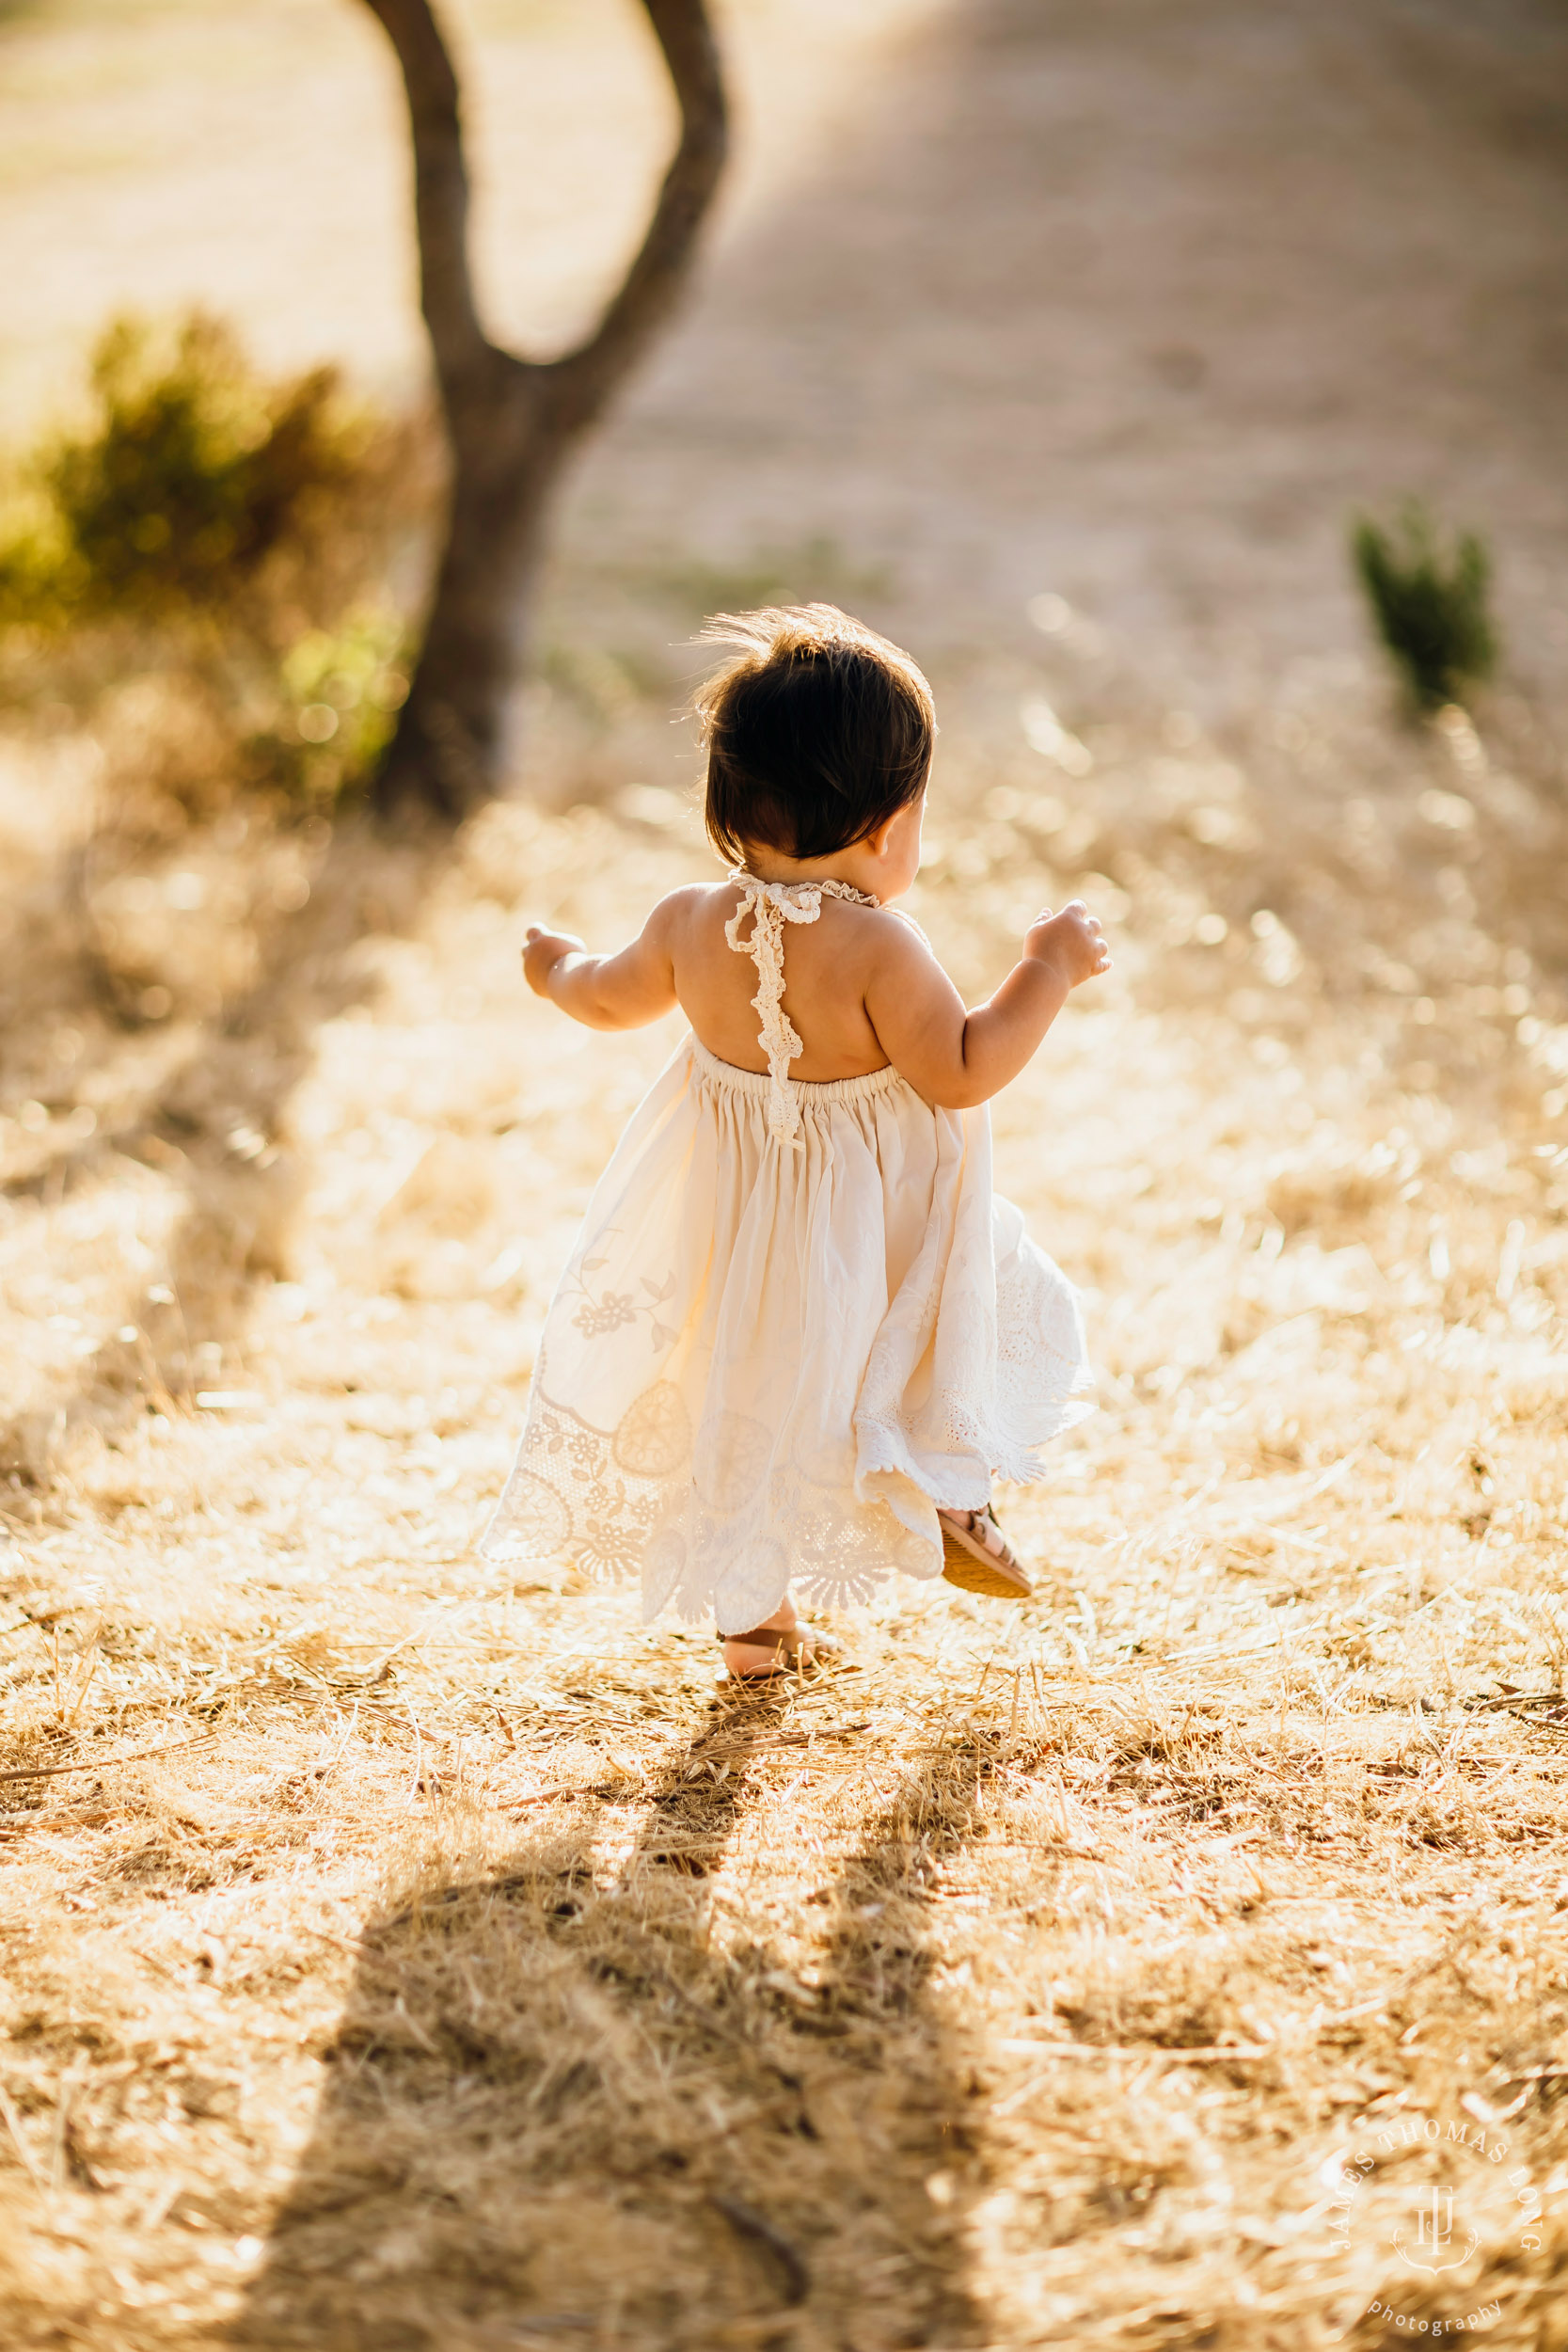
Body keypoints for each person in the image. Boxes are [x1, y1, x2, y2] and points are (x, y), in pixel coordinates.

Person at [483, 604, 1108, 1680]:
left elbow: (603, 1000)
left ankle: (753, 1631)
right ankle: (949, 1488)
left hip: (736, 1239)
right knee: (952, 1317)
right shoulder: (876, 947)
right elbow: (960, 1065)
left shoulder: (688, 922)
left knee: (751, 1402)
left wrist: (554, 967)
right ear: (883, 828)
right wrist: (1045, 971)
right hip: (882, 1229)